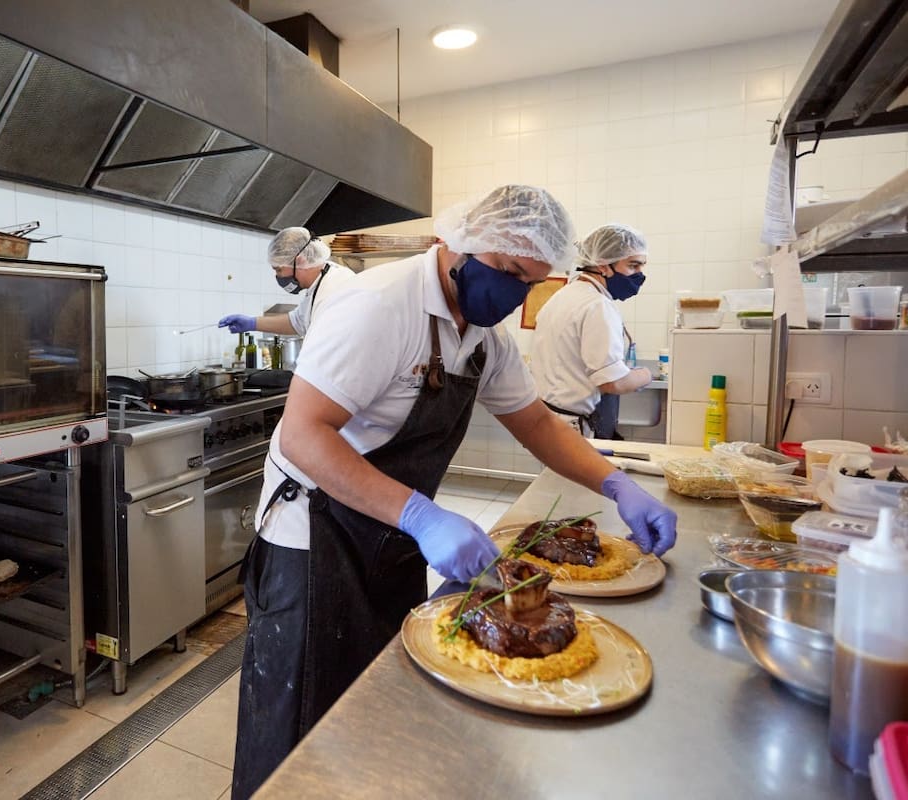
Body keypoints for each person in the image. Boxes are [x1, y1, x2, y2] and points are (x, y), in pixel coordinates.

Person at [231, 186, 677, 799]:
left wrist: (616, 483)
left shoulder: (482, 337)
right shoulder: (379, 307)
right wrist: (420, 514)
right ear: (459, 246)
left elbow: (538, 424)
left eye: (532, 281)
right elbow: (303, 435)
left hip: (387, 536)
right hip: (312, 539)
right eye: (511, 273)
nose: (517, 293)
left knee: (367, 702)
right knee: (297, 719)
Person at [530, 223, 653, 439]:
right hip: (573, 427)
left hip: (550, 417)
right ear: (603, 265)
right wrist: (645, 375)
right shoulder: (597, 305)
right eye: (633, 266)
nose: (639, 275)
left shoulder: (563, 296)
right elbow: (612, 382)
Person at [218, 226, 355, 337]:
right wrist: (253, 323)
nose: (278, 276)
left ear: (300, 260)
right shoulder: (319, 283)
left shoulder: (333, 288)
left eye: (278, 270)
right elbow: (297, 322)